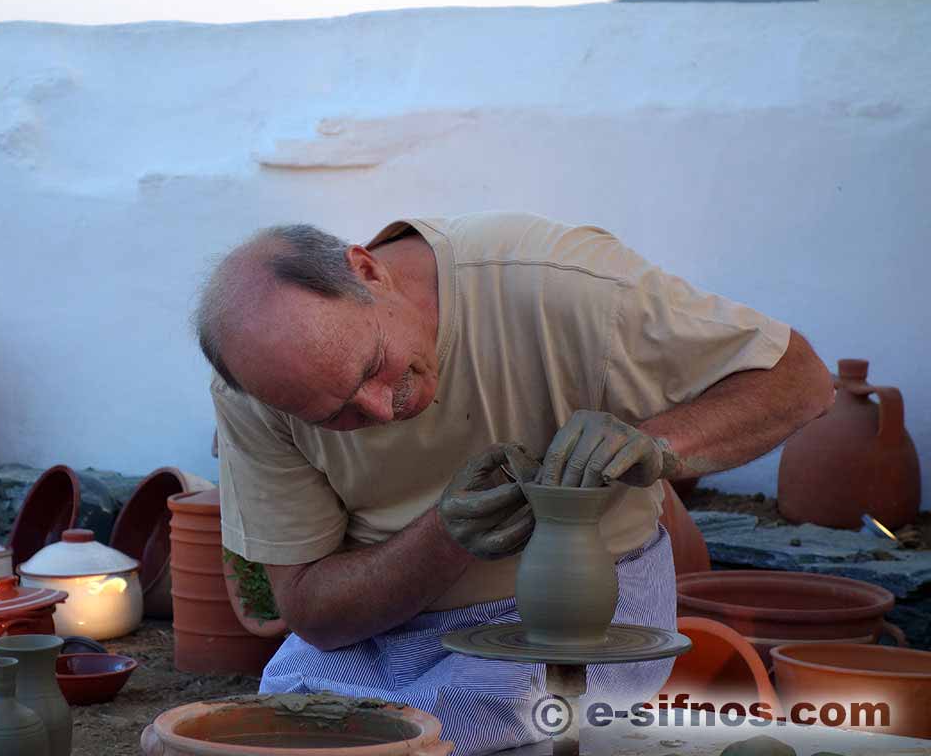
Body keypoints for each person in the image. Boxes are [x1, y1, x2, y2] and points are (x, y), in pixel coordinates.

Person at [194, 211, 832, 754]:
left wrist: (661, 444)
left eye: (372, 367)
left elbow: (801, 380)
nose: (383, 409)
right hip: (383, 625)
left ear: (367, 272)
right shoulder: (255, 394)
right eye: (336, 415)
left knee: (490, 721)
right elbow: (311, 612)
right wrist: (445, 537)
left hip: (590, 618)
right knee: (285, 717)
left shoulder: (561, 285)